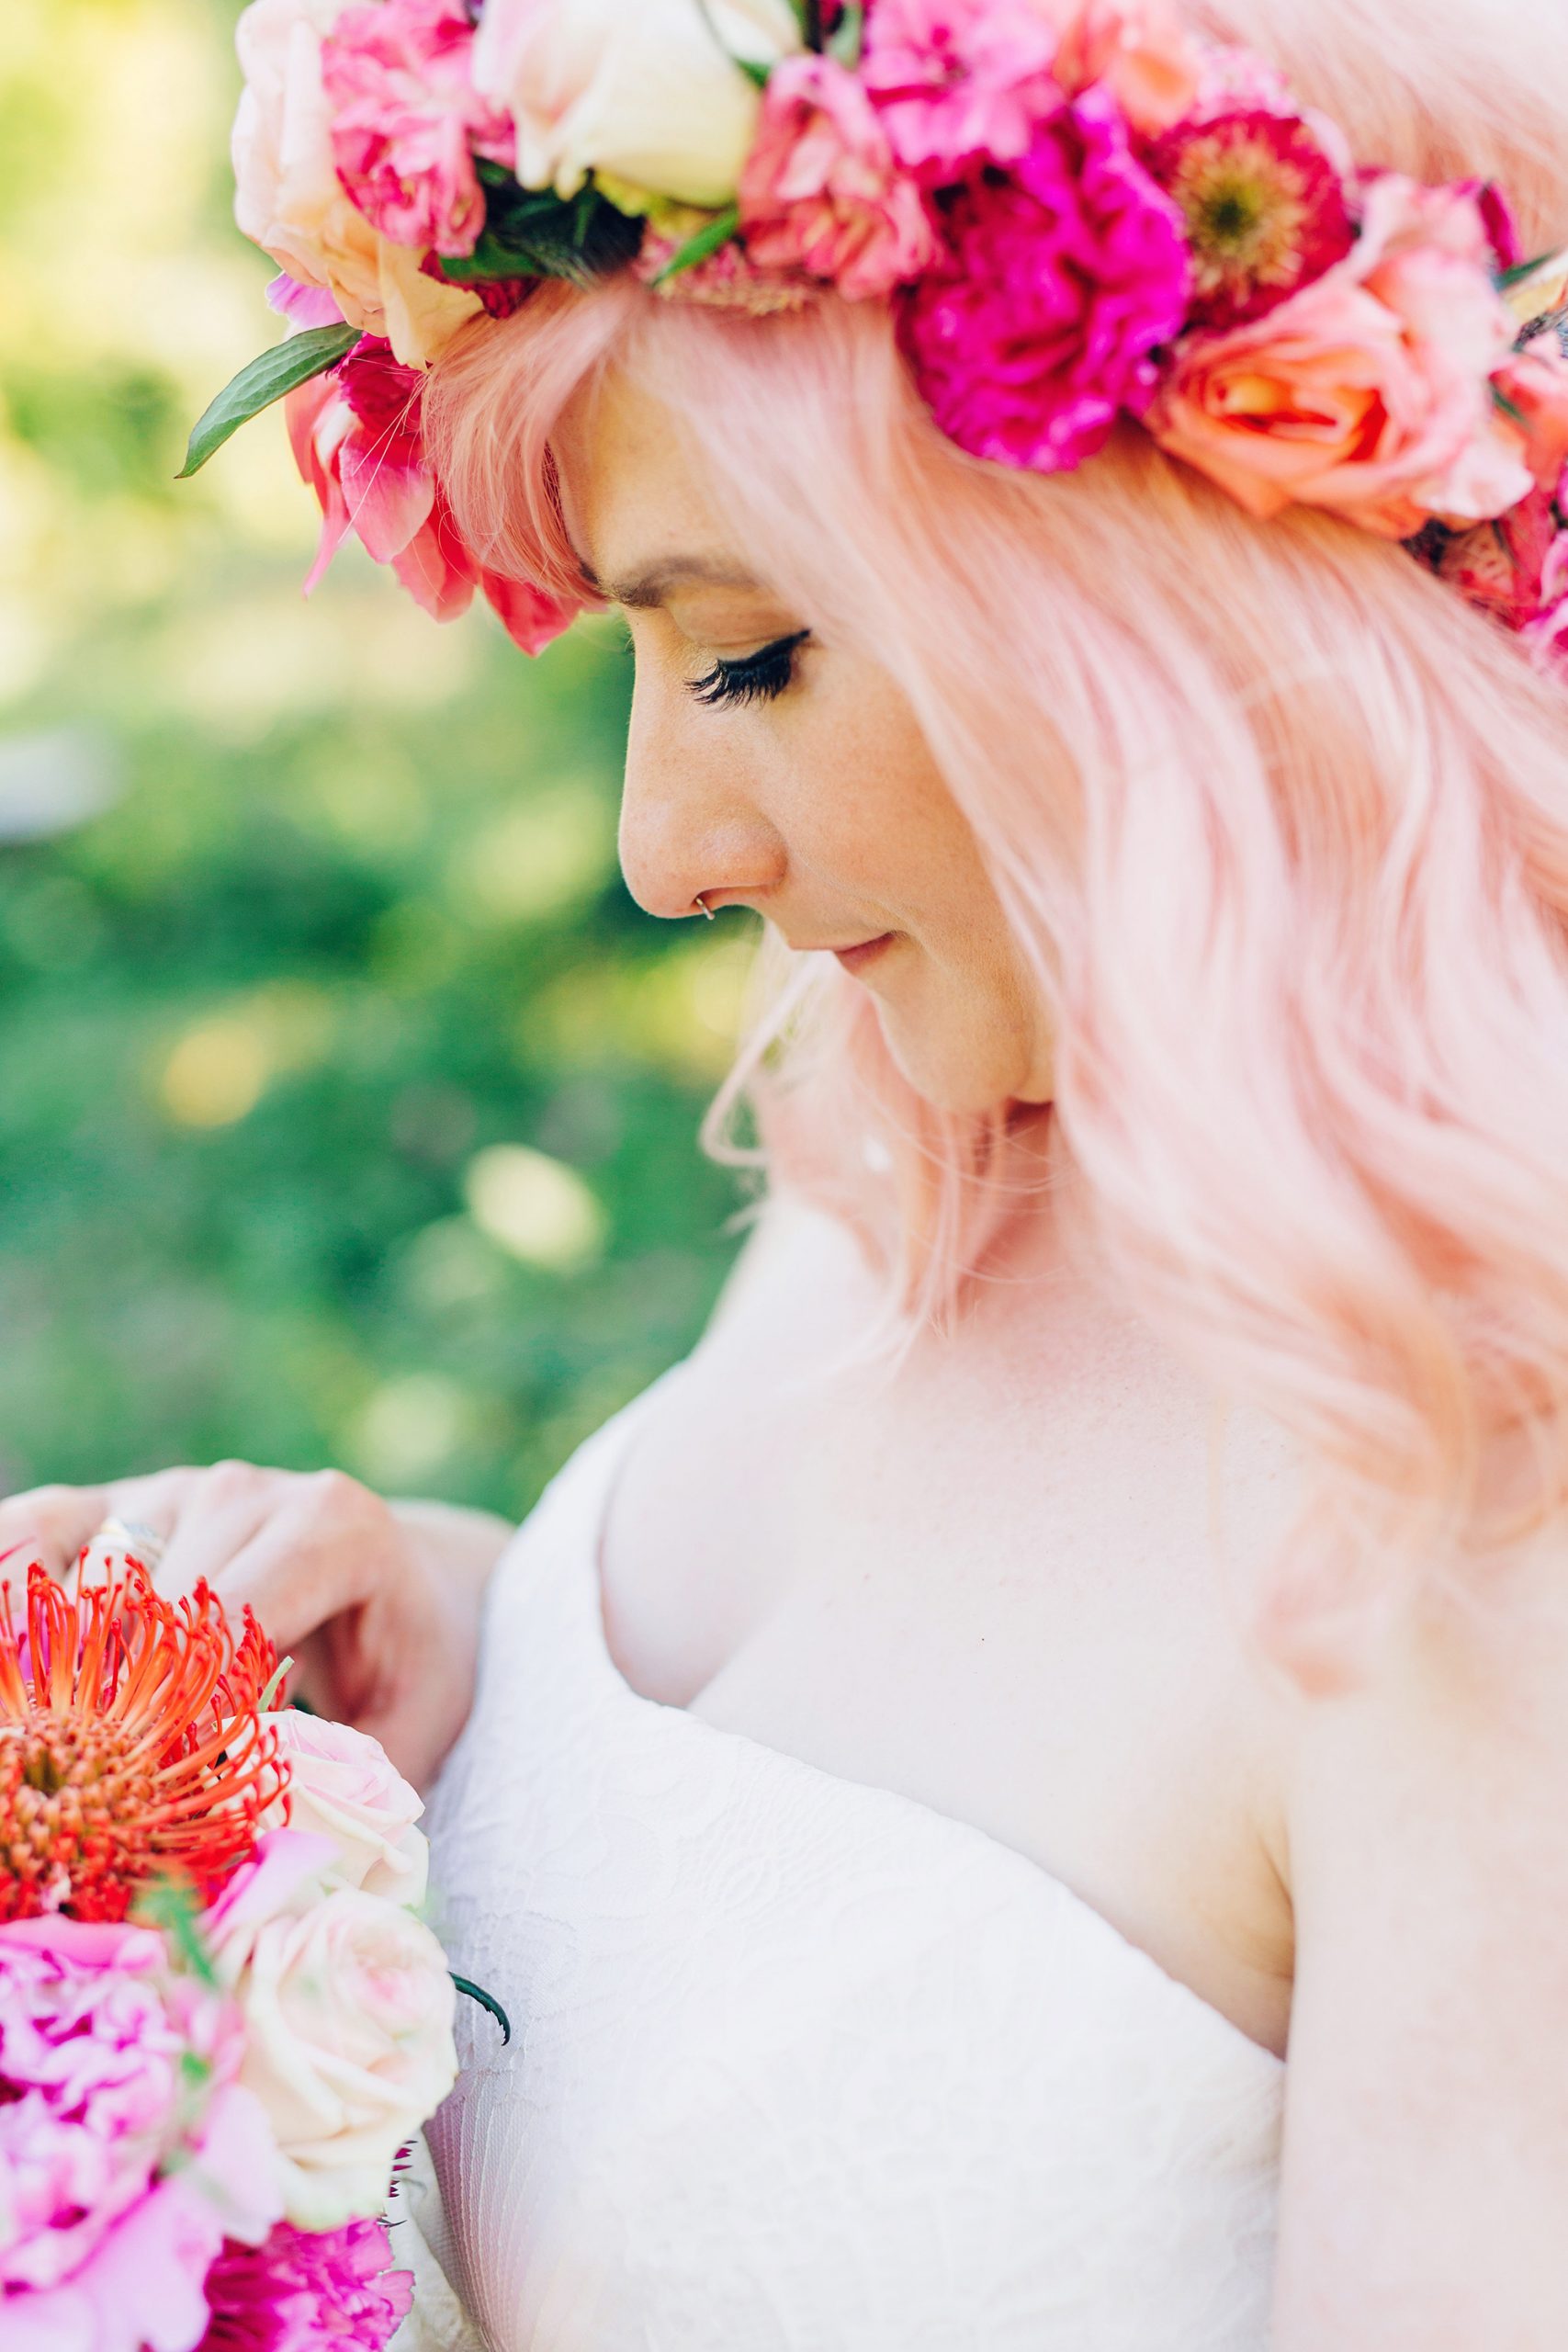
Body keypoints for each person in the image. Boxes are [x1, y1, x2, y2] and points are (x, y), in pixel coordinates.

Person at [8, 0, 1568, 2341]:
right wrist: (453, 1637)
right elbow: (854, 1813)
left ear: (1158, 603)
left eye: (741, 657)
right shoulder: (913, 1137)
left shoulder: (1473, 1541)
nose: (662, 847)